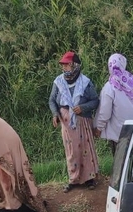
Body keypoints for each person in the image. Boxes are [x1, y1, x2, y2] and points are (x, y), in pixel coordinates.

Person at [49, 50, 100, 192]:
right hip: (66, 121)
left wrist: (83, 107)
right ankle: (73, 179)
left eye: (67, 65)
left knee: (85, 149)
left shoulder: (86, 82)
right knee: (71, 151)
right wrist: (55, 114)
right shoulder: (58, 81)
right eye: (63, 65)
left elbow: (95, 101)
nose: (64, 68)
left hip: (82, 119)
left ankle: (89, 179)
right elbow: (52, 100)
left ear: (75, 65)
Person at [94, 53, 133, 156]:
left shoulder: (110, 87)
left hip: (119, 131)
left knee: (120, 162)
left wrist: (99, 128)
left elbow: (105, 112)